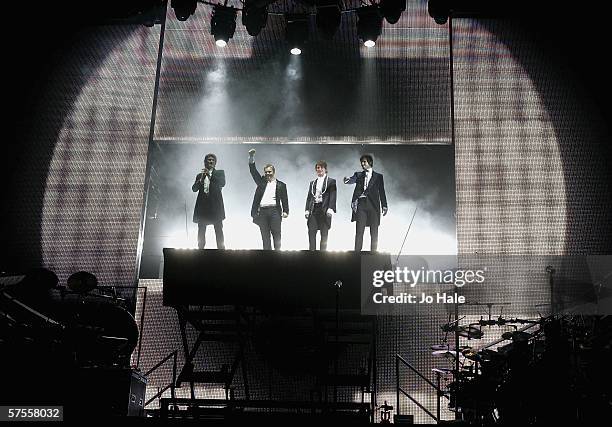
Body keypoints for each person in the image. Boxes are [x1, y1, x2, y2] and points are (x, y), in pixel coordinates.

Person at [344, 154, 388, 252]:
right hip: (361, 205)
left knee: (374, 231)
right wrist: (347, 180)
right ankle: (356, 254)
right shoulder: (358, 175)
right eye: (361, 162)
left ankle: (373, 253)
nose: (362, 164)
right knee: (359, 231)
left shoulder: (378, 177)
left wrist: (384, 205)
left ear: (370, 162)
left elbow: (382, 191)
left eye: (364, 162)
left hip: (373, 205)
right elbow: (351, 180)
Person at [248, 149, 289, 250]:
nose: (268, 174)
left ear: (274, 172)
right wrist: (251, 157)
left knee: (277, 235)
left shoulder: (281, 185)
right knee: (265, 237)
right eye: (266, 172)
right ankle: (267, 259)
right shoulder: (261, 182)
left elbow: (285, 200)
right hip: (262, 211)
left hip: (275, 211)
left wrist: (286, 211)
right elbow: (253, 172)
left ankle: (277, 256)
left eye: (270, 172)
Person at [192, 153, 225, 249]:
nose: (210, 161)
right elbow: (194, 189)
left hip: (215, 206)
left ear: (215, 163)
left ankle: (221, 250)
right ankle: (200, 249)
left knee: (218, 228)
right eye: (208, 160)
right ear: (205, 162)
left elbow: (222, 183)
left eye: (212, 160)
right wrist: (201, 179)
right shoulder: (199, 175)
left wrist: (210, 175)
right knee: (201, 228)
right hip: (203, 206)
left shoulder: (220, 173)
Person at [305, 161, 337, 250]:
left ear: (325, 169)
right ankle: (311, 254)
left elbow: (333, 196)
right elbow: (309, 197)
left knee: (324, 234)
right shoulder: (312, 183)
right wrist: (307, 209)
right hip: (314, 209)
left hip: (324, 209)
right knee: (311, 232)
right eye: (317, 168)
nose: (319, 169)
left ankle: (322, 256)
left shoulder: (331, 181)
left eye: (321, 168)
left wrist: (330, 208)